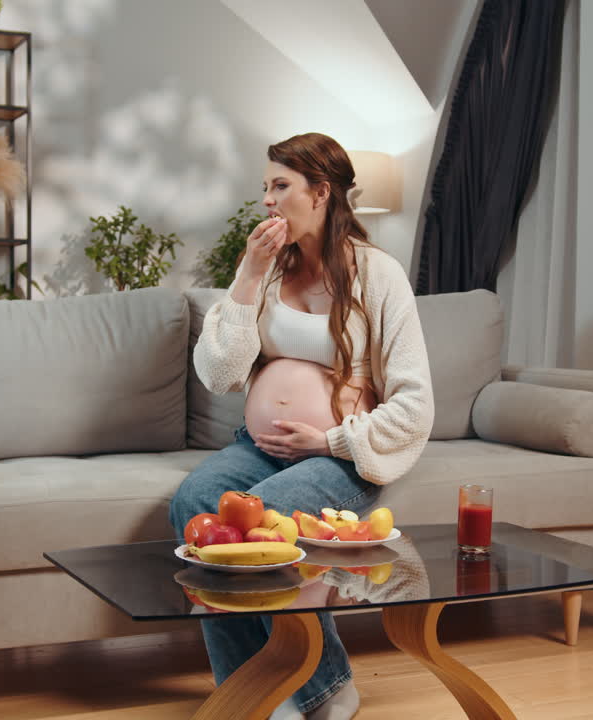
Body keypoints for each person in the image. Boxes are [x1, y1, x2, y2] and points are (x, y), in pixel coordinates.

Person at [169, 132, 435, 720]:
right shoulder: (265, 271)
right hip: (259, 448)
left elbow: (416, 404)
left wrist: (332, 439)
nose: (267, 199)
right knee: (194, 502)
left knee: (266, 525)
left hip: (338, 456)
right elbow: (218, 373)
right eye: (265, 186)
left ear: (320, 192)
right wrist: (246, 274)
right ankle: (264, 691)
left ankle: (314, 689)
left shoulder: (379, 275)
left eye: (280, 186)